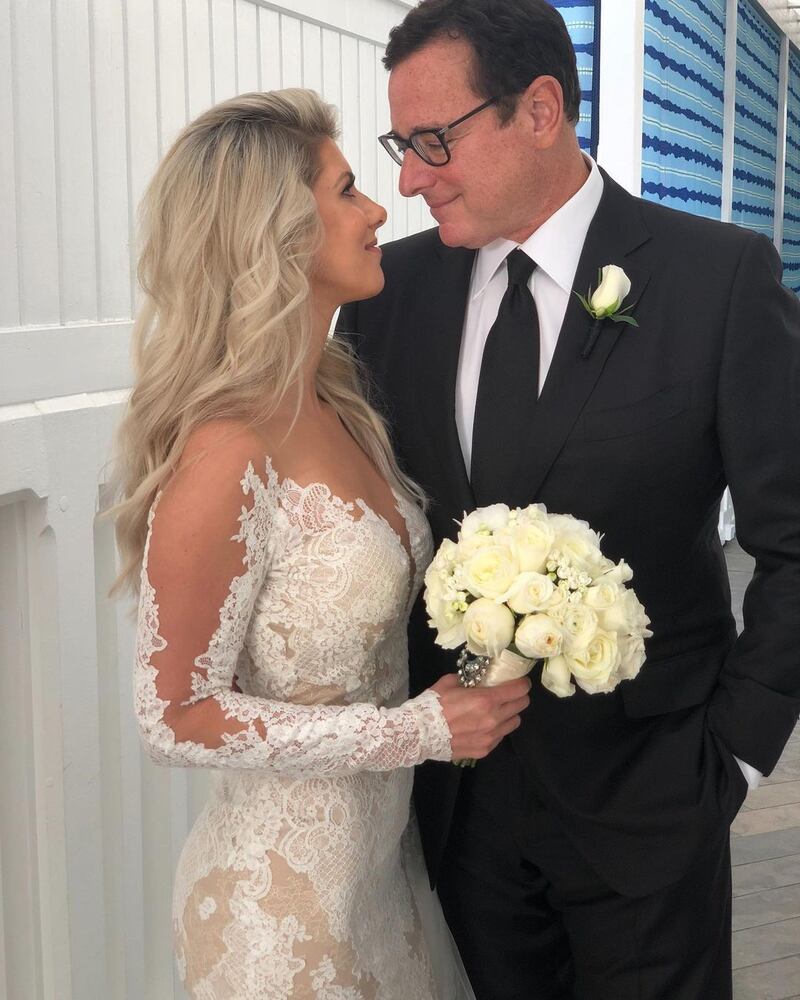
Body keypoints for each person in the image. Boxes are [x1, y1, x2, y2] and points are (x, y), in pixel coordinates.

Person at [336, 1, 800, 997]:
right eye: (400, 145)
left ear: (539, 110)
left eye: (432, 140)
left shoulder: (716, 279)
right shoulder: (388, 294)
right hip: (458, 821)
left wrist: (737, 755)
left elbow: (794, 540)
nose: (409, 178)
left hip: (655, 803)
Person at [112, 88, 529, 998]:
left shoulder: (339, 401)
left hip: (383, 883)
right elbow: (171, 715)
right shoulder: (226, 449)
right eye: (346, 191)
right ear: (277, 234)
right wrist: (414, 730)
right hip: (277, 918)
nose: (379, 209)